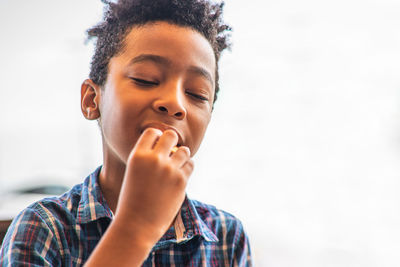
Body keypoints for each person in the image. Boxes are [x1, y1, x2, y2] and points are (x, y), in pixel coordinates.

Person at [0, 0, 252, 266]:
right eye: (146, 79)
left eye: (197, 94)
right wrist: (136, 226)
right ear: (91, 99)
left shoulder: (227, 238)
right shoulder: (43, 228)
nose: (175, 102)